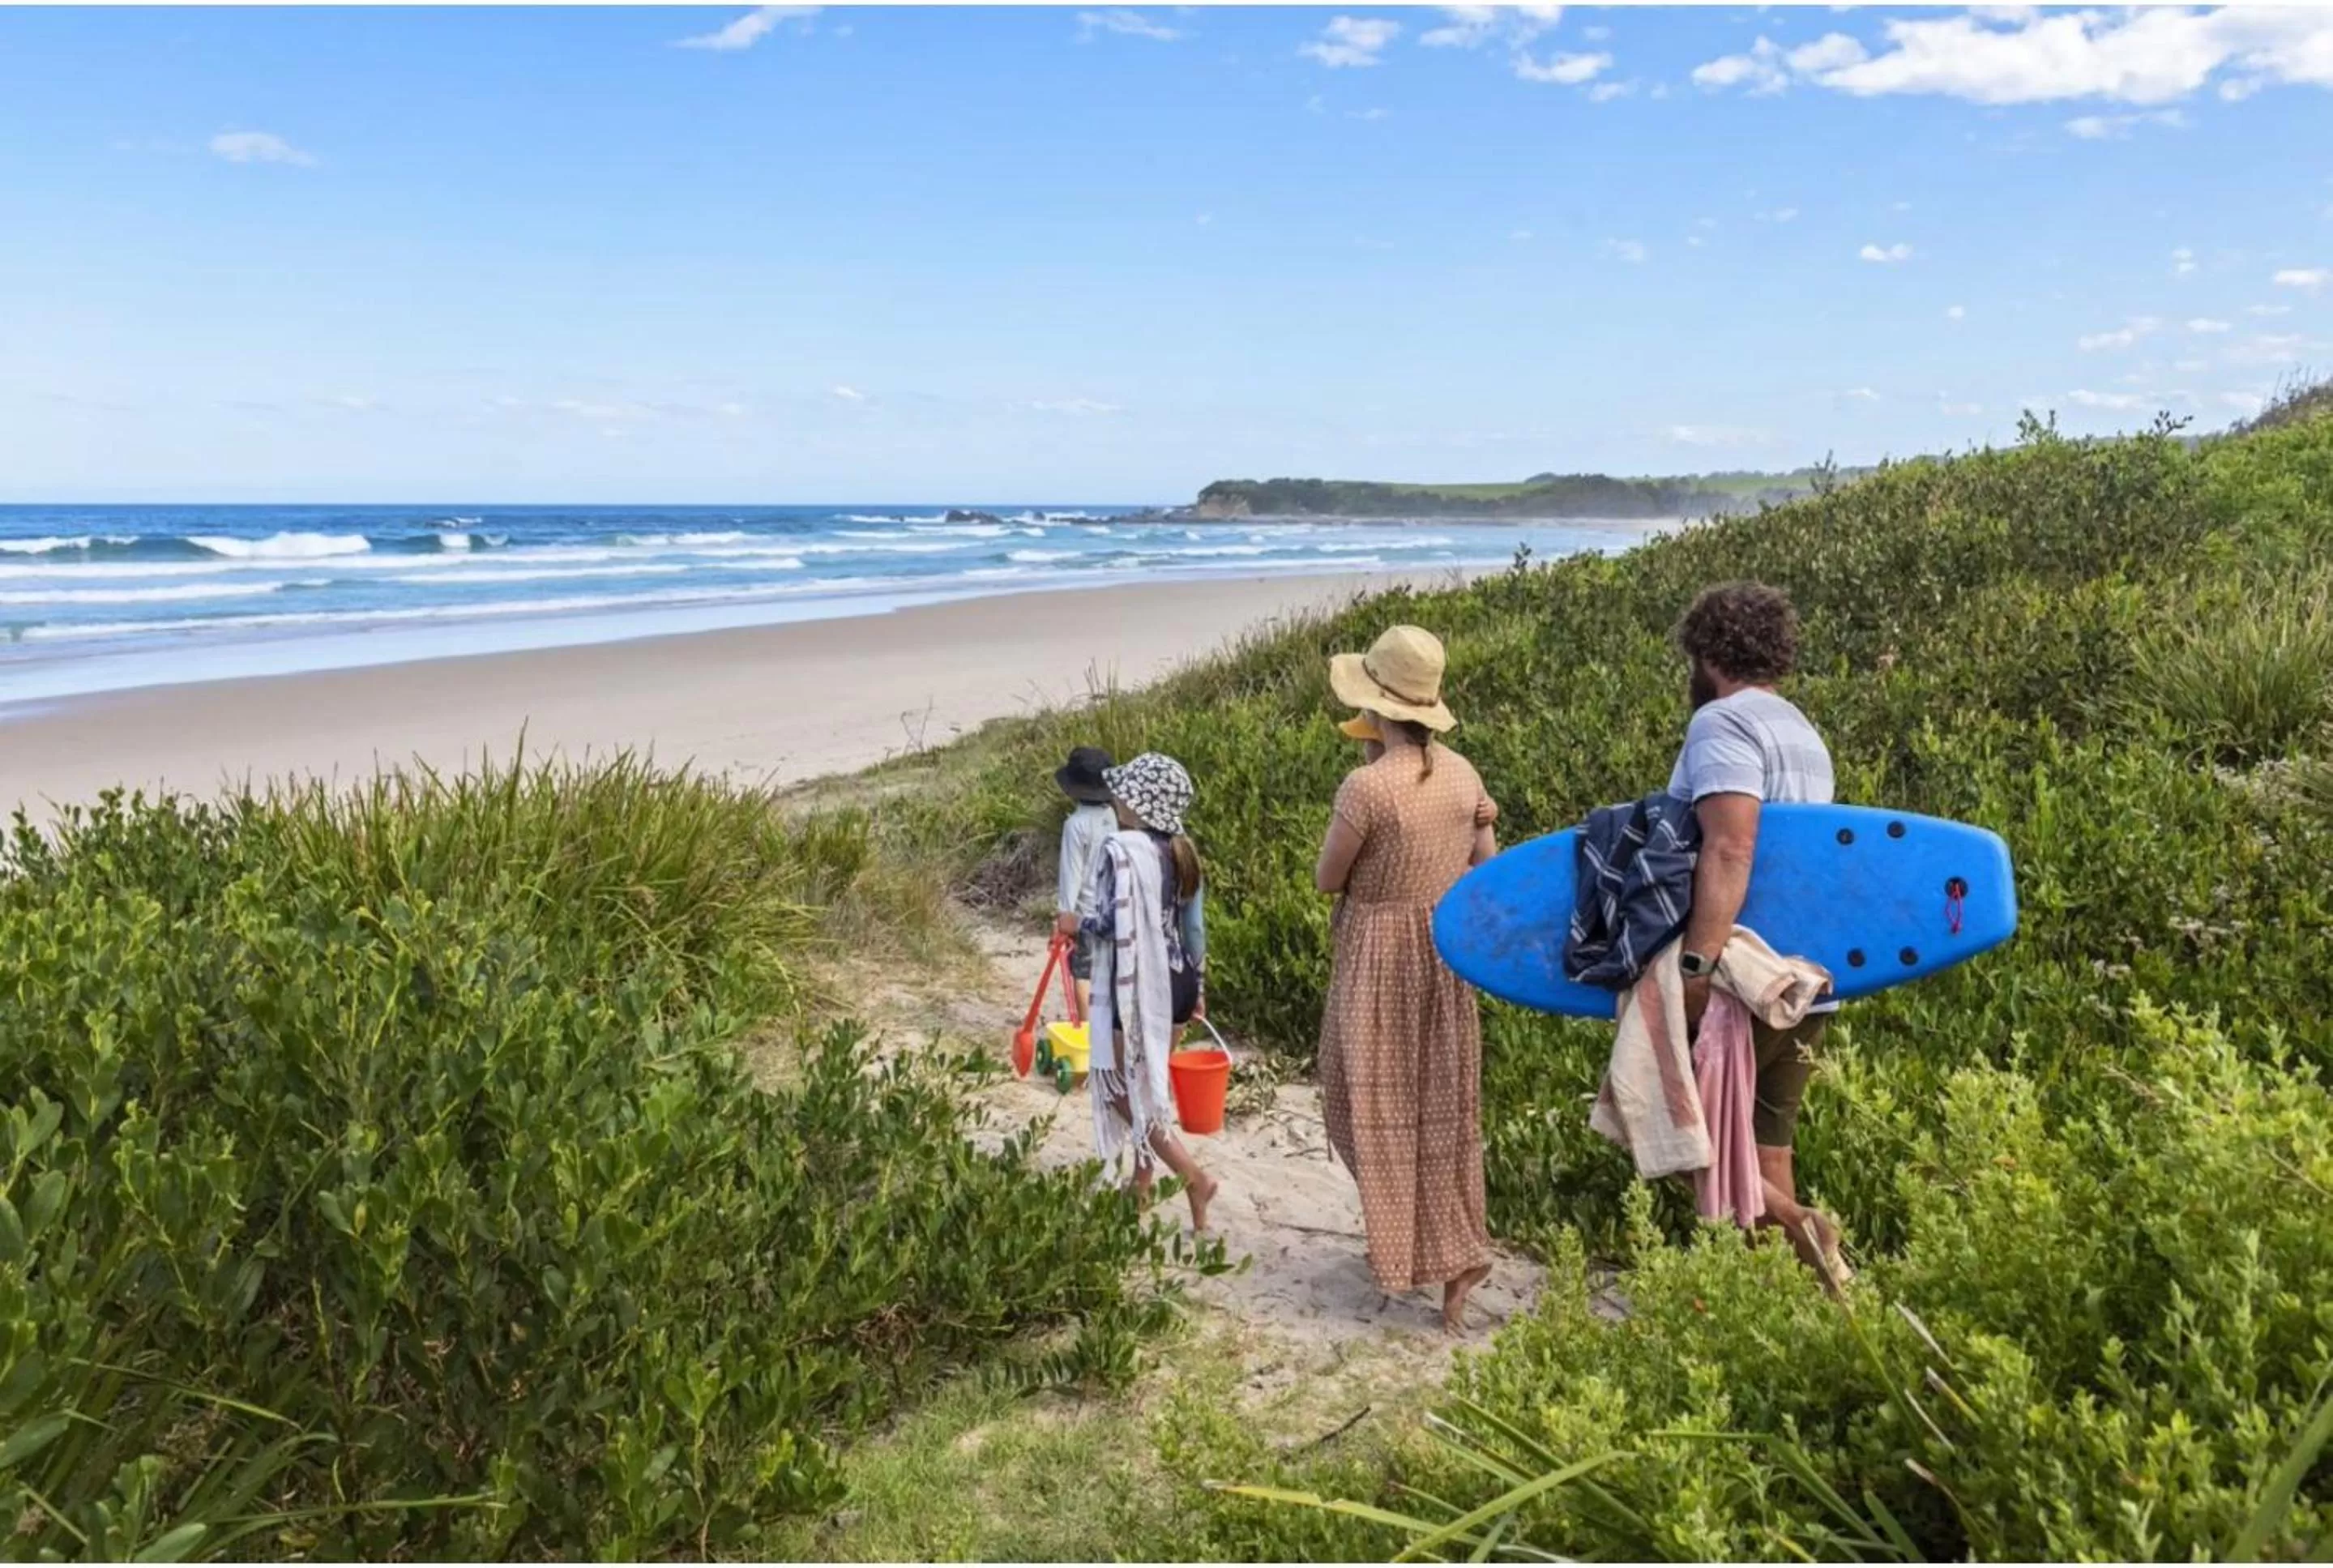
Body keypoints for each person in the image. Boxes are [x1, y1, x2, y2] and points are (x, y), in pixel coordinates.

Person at [1313, 626, 1500, 1333]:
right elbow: (1487, 865)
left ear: (1379, 708)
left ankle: (1431, 1248)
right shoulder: (1462, 774)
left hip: (1378, 951)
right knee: (1441, 1105)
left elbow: (1328, 878)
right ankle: (1449, 1250)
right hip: (1444, 948)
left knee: (1360, 1096)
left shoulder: (1365, 787)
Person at [1666, 581, 1848, 1287]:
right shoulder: (1800, 729)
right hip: (1807, 981)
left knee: (1674, 1133)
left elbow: (1730, 847)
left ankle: (1806, 1227)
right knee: (1768, 1149)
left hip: (1745, 978)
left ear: (1709, 652)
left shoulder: (1722, 724)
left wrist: (1695, 967)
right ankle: (1789, 1300)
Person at [1079, 751, 1218, 1228]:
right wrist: (1197, 986)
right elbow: (1194, 931)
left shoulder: (1122, 852)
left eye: (1123, 791)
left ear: (1137, 802)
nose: (1115, 796)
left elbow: (1101, 923)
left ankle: (1193, 1177)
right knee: (1151, 1086)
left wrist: (1071, 922)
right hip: (1176, 980)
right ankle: (1140, 1186)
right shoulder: (1183, 852)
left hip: (1135, 984)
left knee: (1122, 1089)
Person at [1053, 745, 1117, 1016]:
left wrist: (1063, 916)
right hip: (1110, 907)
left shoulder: (1075, 824)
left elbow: (1072, 873)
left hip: (1085, 911)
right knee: (1108, 971)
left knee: (1083, 972)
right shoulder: (1112, 815)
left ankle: (1088, 1031)